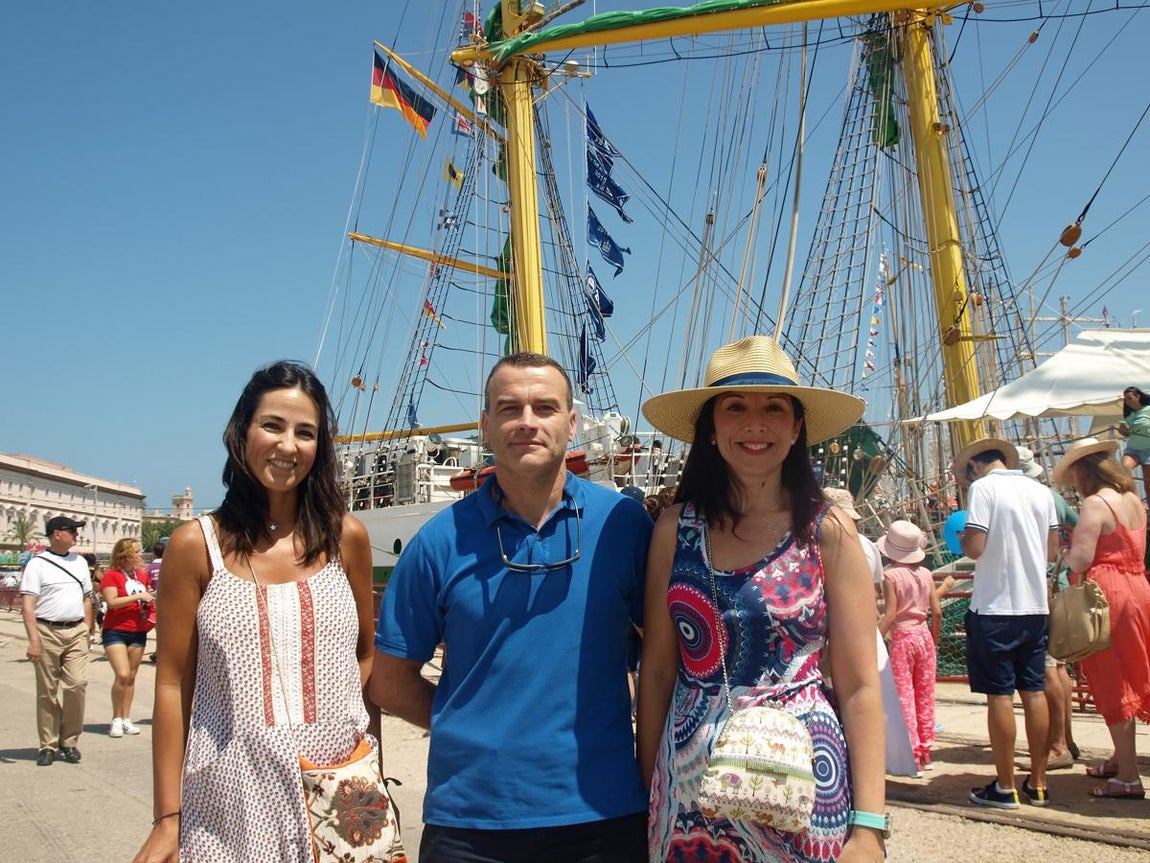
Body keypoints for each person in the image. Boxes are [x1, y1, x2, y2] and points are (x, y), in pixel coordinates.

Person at [372, 352, 652, 863]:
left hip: (603, 812)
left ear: (571, 424)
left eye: (544, 408)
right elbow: (390, 679)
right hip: (471, 821)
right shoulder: (437, 543)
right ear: (485, 424)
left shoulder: (624, 526)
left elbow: (663, 653)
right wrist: (472, 725)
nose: (527, 422)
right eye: (509, 408)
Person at [638, 336, 887, 863]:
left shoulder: (829, 533)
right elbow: (657, 672)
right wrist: (647, 791)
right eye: (735, 407)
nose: (756, 423)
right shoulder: (674, 530)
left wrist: (869, 827)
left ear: (797, 428)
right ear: (710, 430)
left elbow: (862, 684)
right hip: (688, 791)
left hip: (805, 787)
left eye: (775, 407)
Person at [132, 361, 377, 863]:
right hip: (230, 801)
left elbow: (365, 657)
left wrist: (369, 767)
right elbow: (173, 683)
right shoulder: (194, 546)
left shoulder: (345, 538)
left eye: (305, 433)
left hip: (340, 792)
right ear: (241, 432)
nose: (288, 446)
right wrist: (167, 819)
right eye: (272, 425)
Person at [955, 437, 1058, 809]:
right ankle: (1040, 781)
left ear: (974, 466)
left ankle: (1005, 784)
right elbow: (1051, 550)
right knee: (1034, 691)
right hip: (1035, 606)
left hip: (995, 606)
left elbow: (976, 547)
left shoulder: (983, 489)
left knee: (999, 695)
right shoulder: (1040, 490)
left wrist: (964, 538)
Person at [1053, 437, 1150, 798]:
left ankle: (1127, 776)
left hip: (1106, 595)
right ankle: (1119, 757)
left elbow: (1080, 560)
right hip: (1139, 587)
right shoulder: (1132, 500)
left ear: (1084, 471)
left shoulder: (1096, 504)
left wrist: (1064, 546)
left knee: (1114, 680)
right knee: (1137, 669)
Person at [1016, 445, 1083, 770]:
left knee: (1046, 668)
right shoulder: (1051, 497)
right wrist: (1066, 553)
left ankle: (1056, 746)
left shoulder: (1028, 498)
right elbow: (1078, 525)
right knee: (1059, 667)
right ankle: (1064, 737)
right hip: (1054, 583)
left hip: (1036, 588)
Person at [20, 516, 95, 767]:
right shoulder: (37, 565)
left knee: (77, 684)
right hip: (46, 630)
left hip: (75, 631)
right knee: (47, 691)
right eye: (72, 530)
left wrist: (86, 626)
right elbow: (28, 605)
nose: (76, 535)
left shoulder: (81, 562)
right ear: (55, 534)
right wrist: (33, 640)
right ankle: (49, 743)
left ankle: (69, 740)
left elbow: (87, 597)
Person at [877, 520, 940, 774]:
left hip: (902, 637)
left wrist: (876, 638)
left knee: (904, 696)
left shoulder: (891, 575)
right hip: (924, 635)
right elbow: (936, 611)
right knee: (925, 695)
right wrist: (934, 639)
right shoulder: (926, 574)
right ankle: (926, 751)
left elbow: (890, 614)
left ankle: (911, 753)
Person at [100, 537, 155, 737]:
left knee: (131, 677)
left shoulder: (141, 575)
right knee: (122, 674)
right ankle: (116, 718)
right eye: (137, 552)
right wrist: (138, 596)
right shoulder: (112, 575)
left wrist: (148, 600)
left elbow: (147, 593)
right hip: (116, 629)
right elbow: (112, 601)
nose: (141, 555)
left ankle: (125, 717)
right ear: (126, 554)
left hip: (138, 629)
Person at [1118, 385, 1150, 499]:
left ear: (1138, 396)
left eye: (1130, 398)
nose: (1127, 402)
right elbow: (1128, 434)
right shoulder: (1128, 416)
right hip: (1133, 449)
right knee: (1125, 466)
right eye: (1126, 399)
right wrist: (1124, 431)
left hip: (1148, 450)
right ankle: (1137, 501)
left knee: (1148, 486)